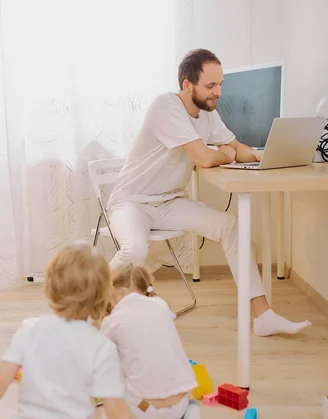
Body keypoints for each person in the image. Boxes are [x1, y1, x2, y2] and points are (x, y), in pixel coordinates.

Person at [106, 48, 311, 337]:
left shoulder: (206, 114)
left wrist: (265, 156)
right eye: (210, 86)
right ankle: (88, 306)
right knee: (135, 249)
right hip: (132, 201)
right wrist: (226, 155)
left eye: (220, 85)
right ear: (187, 85)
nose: (218, 93)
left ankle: (262, 315)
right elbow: (204, 158)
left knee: (230, 226)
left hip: (168, 202)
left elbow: (235, 147)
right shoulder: (166, 107)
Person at [0, 241, 134, 419]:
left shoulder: (30, 329)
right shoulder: (102, 347)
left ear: (51, 287)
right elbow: (115, 412)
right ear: (103, 295)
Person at [101, 264, 200, 419]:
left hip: (143, 409)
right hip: (179, 406)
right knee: (192, 405)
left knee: (110, 379)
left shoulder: (112, 321)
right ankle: (191, 418)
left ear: (112, 294)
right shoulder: (161, 306)